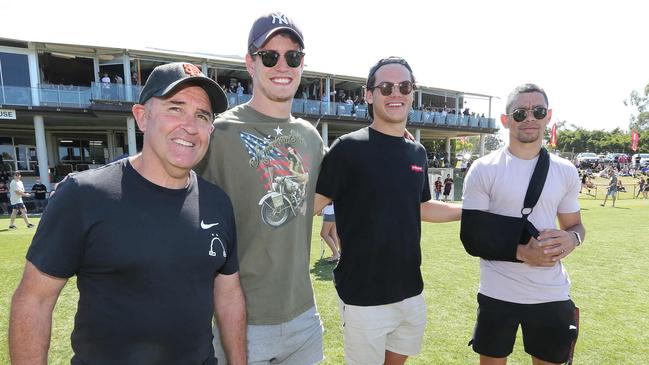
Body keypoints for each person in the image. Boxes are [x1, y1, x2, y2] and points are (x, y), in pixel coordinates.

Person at [9, 62, 247, 365]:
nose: (190, 125)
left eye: (202, 116)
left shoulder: (218, 203)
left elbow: (229, 295)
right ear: (142, 117)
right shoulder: (84, 195)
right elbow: (34, 300)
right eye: (175, 108)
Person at [196, 12, 326, 364]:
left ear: (302, 64)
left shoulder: (311, 138)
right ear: (250, 63)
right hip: (241, 320)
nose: (282, 65)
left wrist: (386, 143)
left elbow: (327, 192)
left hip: (304, 318)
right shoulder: (218, 133)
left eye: (292, 56)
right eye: (269, 56)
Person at [314, 56, 461, 365]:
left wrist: (469, 210)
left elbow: (421, 207)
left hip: (411, 292)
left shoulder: (417, 151)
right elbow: (309, 208)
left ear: (412, 93)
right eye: (386, 87)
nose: (396, 93)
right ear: (369, 95)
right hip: (363, 296)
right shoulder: (347, 148)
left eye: (404, 86)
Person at [462, 83, 585, 365]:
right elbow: (472, 236)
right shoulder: (484, 169)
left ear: (548, 116)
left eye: (537, 111)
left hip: (550, 293)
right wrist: (522, 252)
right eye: (520, 113)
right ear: (506, 120)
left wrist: (572, 239)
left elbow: (575, 225)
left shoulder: (565, 170)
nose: (529, 117)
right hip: (497, 292)